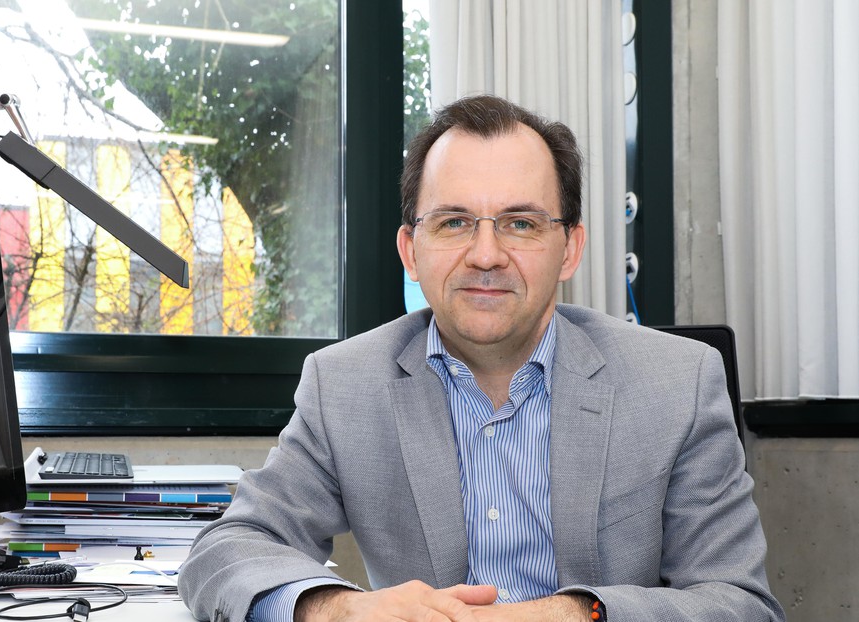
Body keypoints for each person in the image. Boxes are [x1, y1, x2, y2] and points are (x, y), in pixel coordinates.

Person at [178, 95, 784, 622]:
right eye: (454, 222)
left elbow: (739, 604)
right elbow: (228, 548)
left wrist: (571, 613)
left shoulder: (677, 382)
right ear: (411, 251)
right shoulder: (345, 386)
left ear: (569, 248)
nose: (486, 254)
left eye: (520, 223)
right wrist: (339, 607)